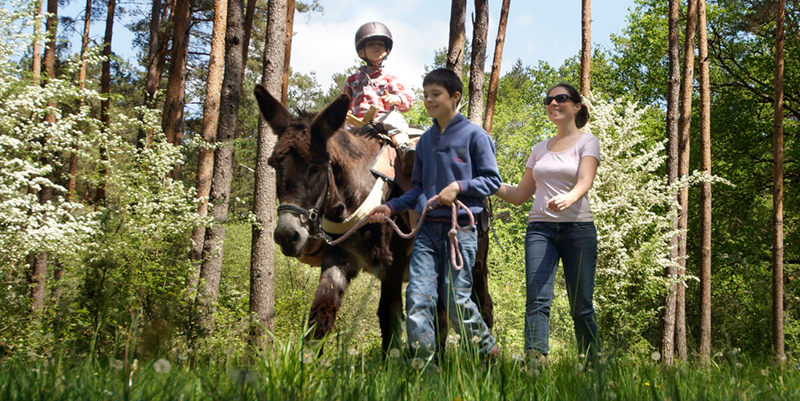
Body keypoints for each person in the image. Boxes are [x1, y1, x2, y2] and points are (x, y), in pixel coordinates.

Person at [368, 68, 501, 361]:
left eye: (435, 94)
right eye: (425, 94)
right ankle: (424, 365)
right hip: (427, 233)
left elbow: (492, 181)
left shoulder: (476, 136)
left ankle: (488, 353)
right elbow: (417, 191)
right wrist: (391, 207)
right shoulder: (425, 141)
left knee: (456, 301)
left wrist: (459, 186)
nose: (428, 100)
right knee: (417, 298)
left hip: (460, 231)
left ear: (455, 97)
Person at [494, 83, 601, 362]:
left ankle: (592, 365)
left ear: (576, 106)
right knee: (537, 300)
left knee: (581, 305)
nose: (553, 103)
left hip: (578, 230)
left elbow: (585, 180)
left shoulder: (587, 141)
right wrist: (487, 183)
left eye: (561, 98)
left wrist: (571, 197)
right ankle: (534, 362)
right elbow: (519, 195)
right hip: (540, 229)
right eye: (548, 100)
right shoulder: (539, 148)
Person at [346, 21, 416, 173]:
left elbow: (407, 100)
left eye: (381, 45)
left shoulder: (389, 78)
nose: (377, 47)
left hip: (380, 119)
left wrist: (397, 99)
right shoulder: (353, 79)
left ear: (387, 51)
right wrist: (343, 112)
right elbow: (344, 100)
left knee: (395, 120)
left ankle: (404, 149)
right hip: (355, 122)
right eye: (371, 44)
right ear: (361, 52)